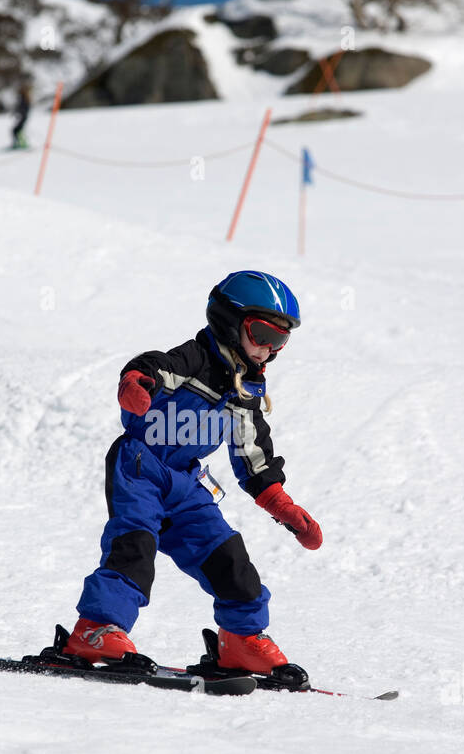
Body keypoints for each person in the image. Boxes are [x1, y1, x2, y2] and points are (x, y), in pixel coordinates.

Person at [67, 270, 322, 674]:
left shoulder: (245, 391)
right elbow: (153, 367)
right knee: (134, 545)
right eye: (262, 335)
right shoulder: (195, 360)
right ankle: (96, 628)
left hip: (186, 482)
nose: (268, 351)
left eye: (280, 341)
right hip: (141, 467)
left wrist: (281, 504)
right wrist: (136, 384)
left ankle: (241, 639)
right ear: (228, 320)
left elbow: (253, 454)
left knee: (228, 556)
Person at [11, 83, 31, 149]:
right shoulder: (22, 98)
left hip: (23, 117)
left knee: (17, 130)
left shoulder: (25, 98)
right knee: (16, 130)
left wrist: (20, 113)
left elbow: (25, 108)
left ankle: (22, 144)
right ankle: (19, 143)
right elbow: (18, 107)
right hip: (22, 117)